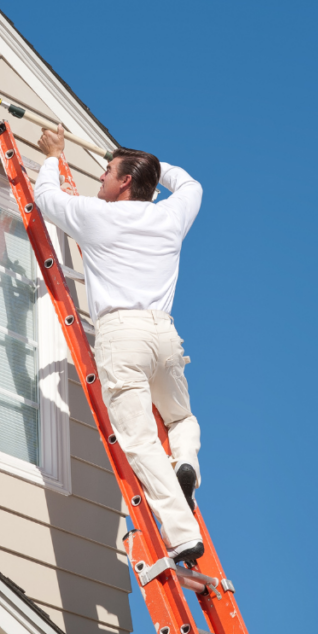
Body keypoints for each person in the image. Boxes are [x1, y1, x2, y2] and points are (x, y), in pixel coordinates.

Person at [34, 125, 205, 563]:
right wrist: (150, 163)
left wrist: (54, 154)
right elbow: (189, 184)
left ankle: (183, 534)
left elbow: (48, 199)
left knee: (140, 440)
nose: (101, 179)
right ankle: (185, 461)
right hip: (165, 334)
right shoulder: (170, 217)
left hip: (122, 335)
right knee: (180, 418)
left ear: (126, 181)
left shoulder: (98, 216)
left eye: (108, 171)